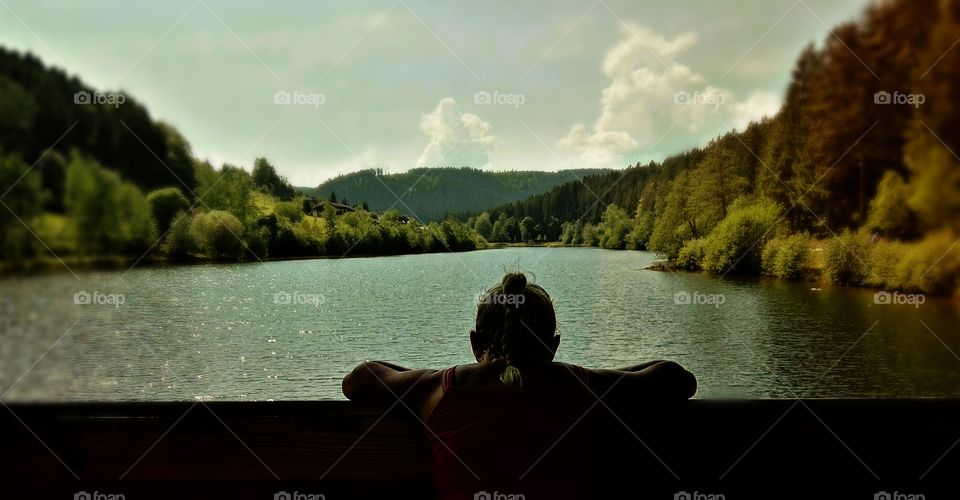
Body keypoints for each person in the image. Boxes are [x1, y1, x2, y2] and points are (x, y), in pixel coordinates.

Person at [342, 272, 697, 499]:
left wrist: (430, 375)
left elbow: (358, 379)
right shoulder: (584, 386)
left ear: (473, 342)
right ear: (554, 345)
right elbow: (677, 379)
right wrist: (600, 373)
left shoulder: (440, 387)